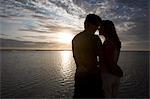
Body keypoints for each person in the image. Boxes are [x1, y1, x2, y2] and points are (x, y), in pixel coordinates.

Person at [72, 14, 104, 98]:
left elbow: (77, 57)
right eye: (97, 25)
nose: (97, 28)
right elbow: (101, 56)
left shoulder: (76, 38)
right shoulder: (95, 38)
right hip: (92, 76)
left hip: (80, 75)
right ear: (89, 24)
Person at [97, 20, 123, 98]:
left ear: (106, 29)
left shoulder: (108, 42)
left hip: (108, 76)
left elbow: (109, 62)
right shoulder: (115, 41)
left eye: (100, 27)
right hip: (114, 76)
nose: (98, 29)